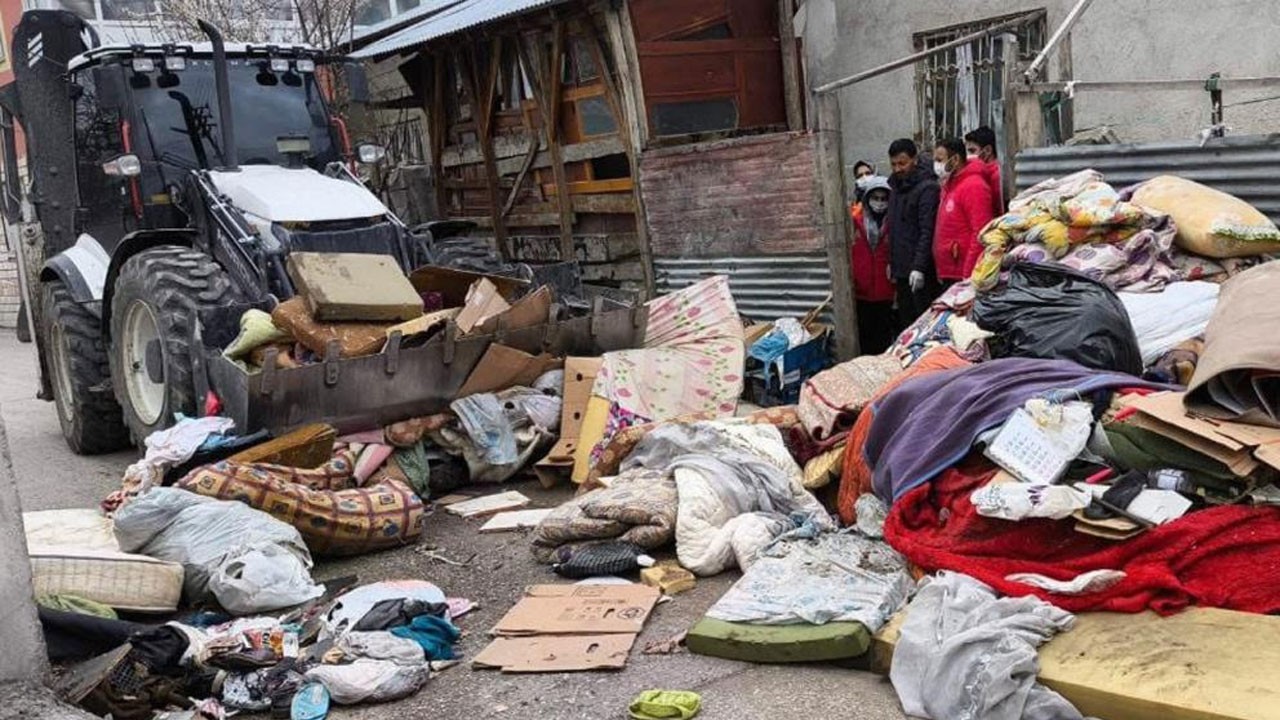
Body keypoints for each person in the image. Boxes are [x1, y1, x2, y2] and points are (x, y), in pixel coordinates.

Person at [886, 138, 941, 329]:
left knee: (923, 322)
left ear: (914, 160)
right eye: (893, 164)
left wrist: (919, 267)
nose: (897, 169)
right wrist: (892, 261)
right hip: (901, 268)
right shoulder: (895, 187)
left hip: (921, 270)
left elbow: (927, 230)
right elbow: (894, 228)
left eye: (902, 163)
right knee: (906, 321)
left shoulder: (927, 188)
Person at [932, 138, 995, 287]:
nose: (936, 165)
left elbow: (981, 232)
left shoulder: (974, 186)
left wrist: (968, 274)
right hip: (949, 270)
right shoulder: (949, 184)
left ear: (955, 159)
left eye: (940, 160)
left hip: (963, 273)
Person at [849, 175, 896, 354]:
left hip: (886, 291)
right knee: (864, 338)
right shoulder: (855, 222)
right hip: (861, 291)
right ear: (867, 198)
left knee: (883, 339)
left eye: (884, 199)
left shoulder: (894, 223)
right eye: (875, 198)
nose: (879, 203)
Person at [964, 126, 1004, 217]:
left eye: (972, 151)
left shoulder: (996, 176)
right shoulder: (983, 173)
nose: (968, 156)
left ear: (988, 150)